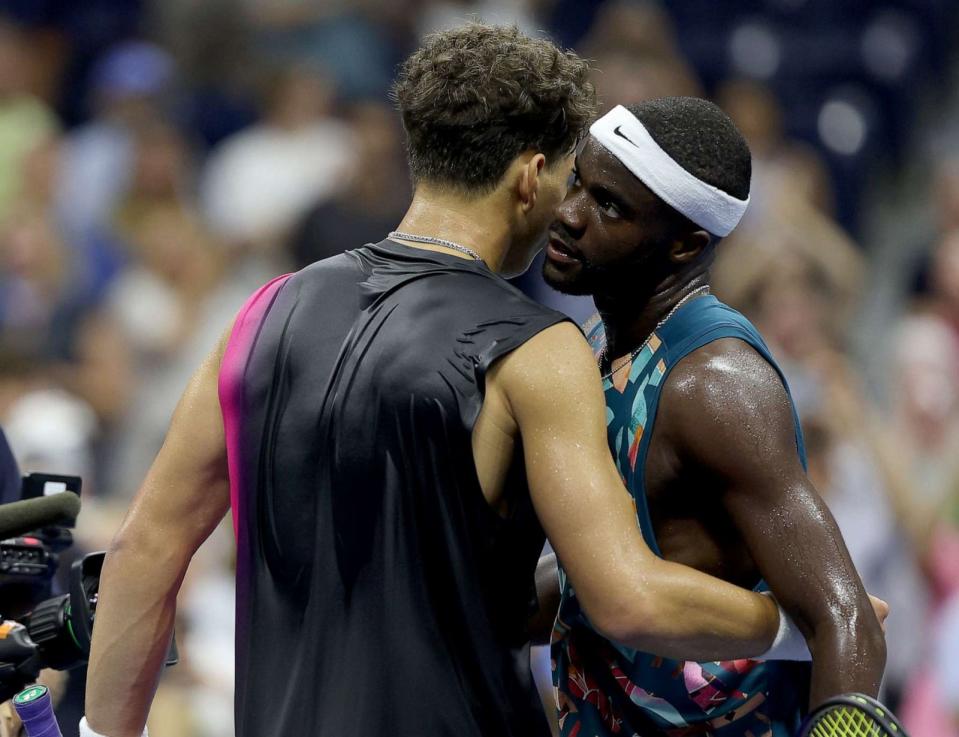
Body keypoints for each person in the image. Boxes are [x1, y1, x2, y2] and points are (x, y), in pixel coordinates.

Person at [85, 27, 830, 737]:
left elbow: (142, 551)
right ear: (531, 176)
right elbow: (625, 596)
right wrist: (791, 623)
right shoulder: (537, 349)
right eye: (569, 182)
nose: (568, 211)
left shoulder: (259, 314)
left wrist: (98, 730)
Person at [541, 98, 887, 737]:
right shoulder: (594, 343)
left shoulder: (717, 386)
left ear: (685, 245)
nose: (568, 213)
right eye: (576, 184)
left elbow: (847, 619)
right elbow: (594, 583)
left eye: (610, 205)